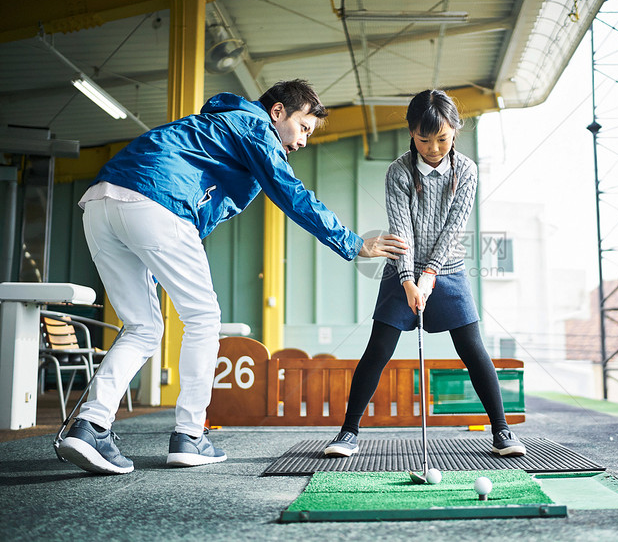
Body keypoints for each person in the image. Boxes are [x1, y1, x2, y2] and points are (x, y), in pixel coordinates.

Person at [57, 79, 407, 475]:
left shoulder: (217, 128)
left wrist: (153, 261)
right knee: (203, 319)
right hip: (155, 202)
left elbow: (200, 211)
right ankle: (189, 435)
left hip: (103, 203)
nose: (304, 141)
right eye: (303, 128)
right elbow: (291, 194)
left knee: (140, 326)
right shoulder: (254, 127)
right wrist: (351, 242)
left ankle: (90, 426)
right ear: (278, 112)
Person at [323, 89, 526, 458]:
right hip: (401, 271)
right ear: (412, 134)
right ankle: (348, 433)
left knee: (472, 349)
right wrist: (407, 280)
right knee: (378, 349)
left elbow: (453, 229)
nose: (433, 148)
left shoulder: (466, 171)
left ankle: (502, 431)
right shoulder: (398, 172)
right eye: (424, 139)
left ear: (455, 131)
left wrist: (429, 277)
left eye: (443, 139)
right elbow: (401, 232)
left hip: (448, 270)